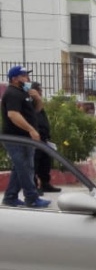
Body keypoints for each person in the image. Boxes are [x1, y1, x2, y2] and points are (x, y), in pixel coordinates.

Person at [1, 66, 50, 208]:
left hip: (24, 137)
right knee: (25, 167)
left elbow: (36, 110)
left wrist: (37, 98)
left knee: (20, 167)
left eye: (27, 75)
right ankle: (32, 198)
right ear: (14, 78)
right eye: (23, 76)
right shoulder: (12, 93)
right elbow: (13, 114)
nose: (27, 78)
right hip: (16, 138)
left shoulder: (23, 93)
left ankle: (10, 197)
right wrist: (31, 130)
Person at [30, 82, 61, 194]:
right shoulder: (31, 103)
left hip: (43, 138)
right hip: (35, 138)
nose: (41, 93)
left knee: (45, 162)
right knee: (35, 162)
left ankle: (45, 183)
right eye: (39, 90)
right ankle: (34, 186)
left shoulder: (39, 103)